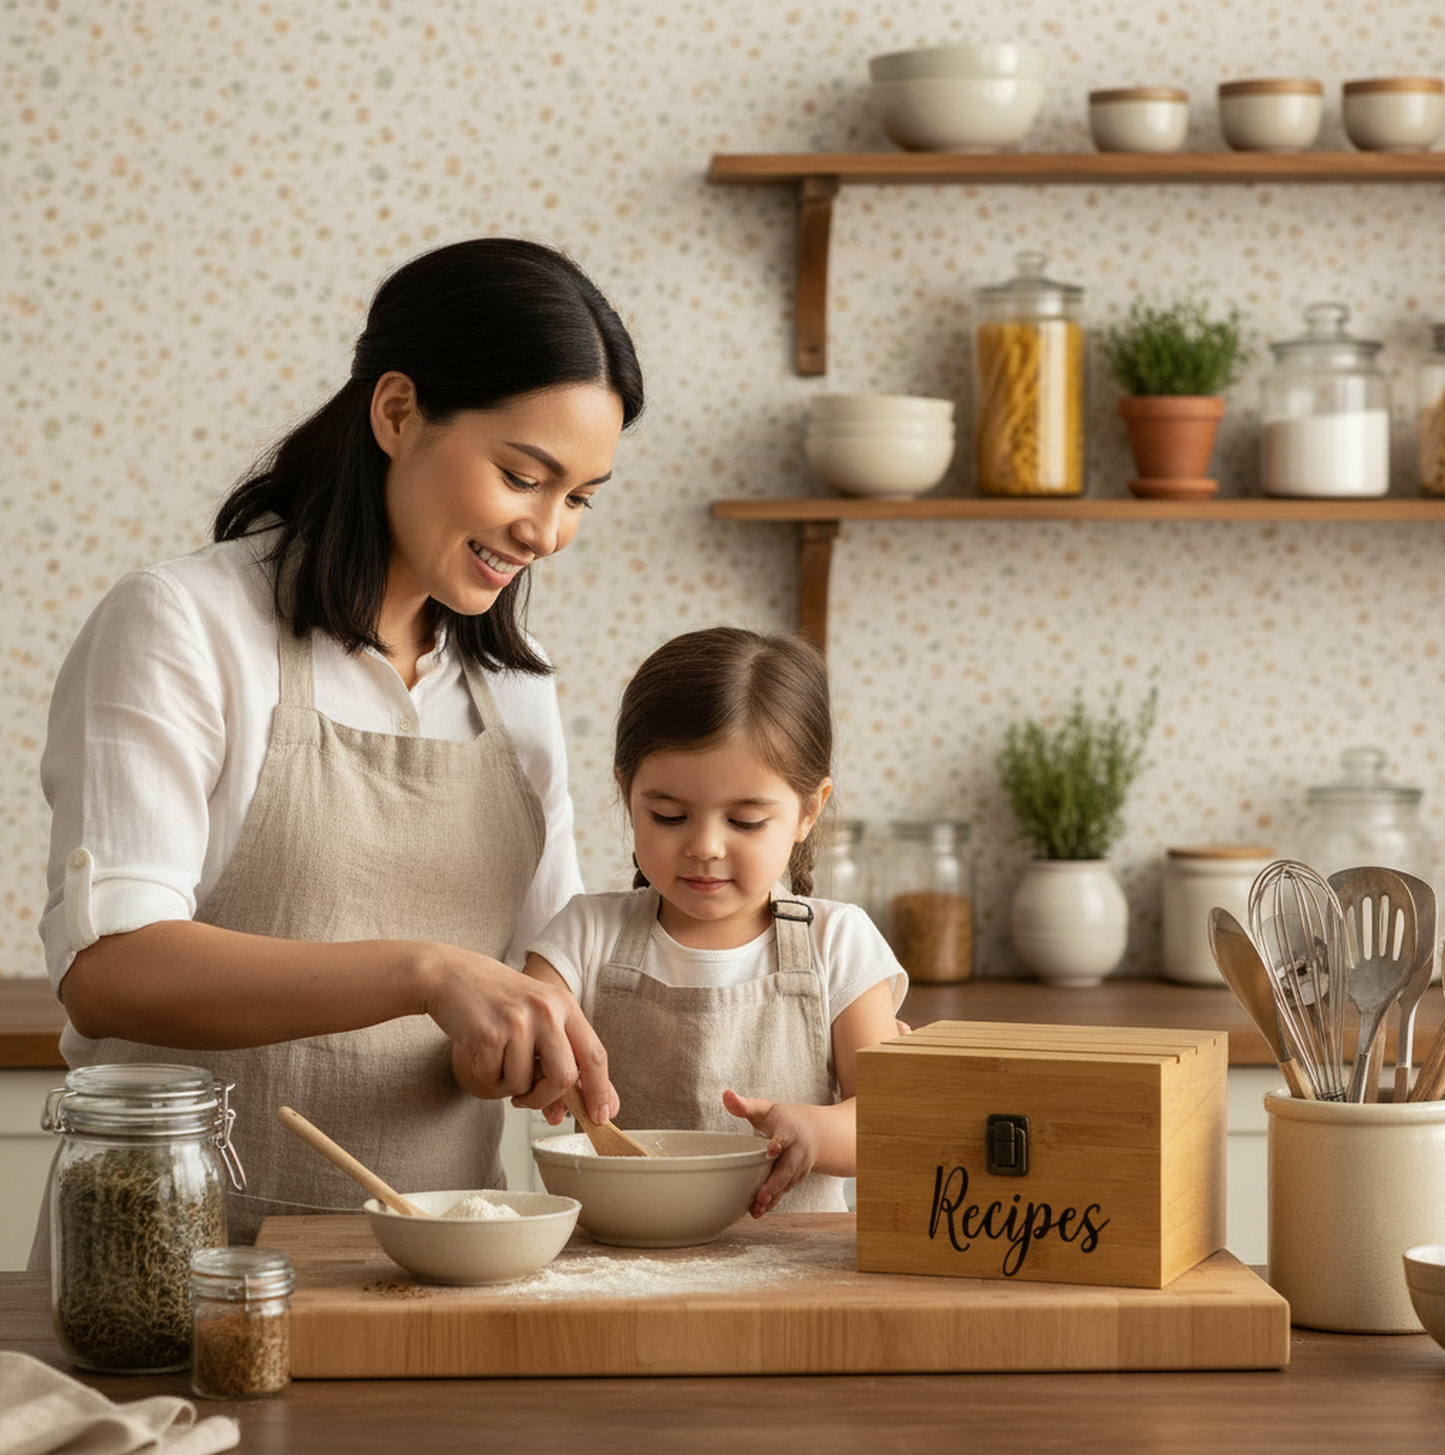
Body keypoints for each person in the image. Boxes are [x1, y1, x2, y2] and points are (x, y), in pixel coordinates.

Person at [34, 237, 643, 1257]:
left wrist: (510, 1048)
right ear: (397, 412)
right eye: (522, 475)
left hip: (442, 1268)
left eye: (578, 496)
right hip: (175, 1264)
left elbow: (533, 978)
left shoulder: (516, 682)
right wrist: (424, 974)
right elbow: (110, 968)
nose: (546, 531)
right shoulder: (184, 624)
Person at [523, 626, 907, 1215]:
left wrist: (815, 1133)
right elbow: (515, 1044)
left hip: (789, 1279)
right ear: (627, 794)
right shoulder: (582, 936)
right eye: (669, 815)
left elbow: (890, 1118)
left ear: (809, 810)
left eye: (746, 821)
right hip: (617, 1269)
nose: (704, 846)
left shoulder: (840, 943)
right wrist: (527, 1060)